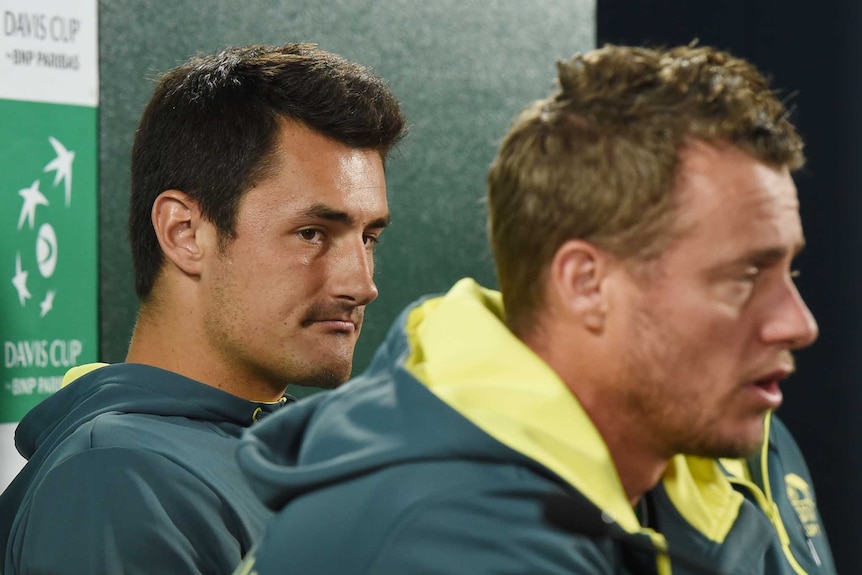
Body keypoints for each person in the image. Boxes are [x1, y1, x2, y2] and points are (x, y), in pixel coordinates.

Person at [234, 44, 836, 574]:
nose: (799, 323)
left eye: (791, 270)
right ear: (586, 284)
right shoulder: (439, 541)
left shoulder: (703, 457)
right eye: (743, 276)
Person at [0, 43, 406, 574]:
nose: (361, 283)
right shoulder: (119, 479)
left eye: (369, 237)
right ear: (184, 233)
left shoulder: (286, 454)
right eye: (312, 233)